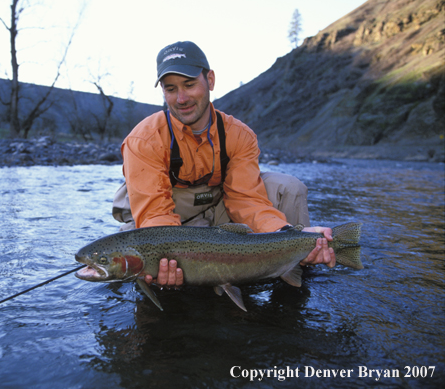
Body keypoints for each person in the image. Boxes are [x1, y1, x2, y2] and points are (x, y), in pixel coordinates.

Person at [112, 41, 335, 288]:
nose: (181, 98)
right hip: (168, 216)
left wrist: (285, 232)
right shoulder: (144, 139)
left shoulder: (239, 135)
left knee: (289, 186)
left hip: (218, 206)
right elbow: (155, 214)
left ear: (210, 80)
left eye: (189, 85)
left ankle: (294, 259)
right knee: (148, 269)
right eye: (170, 89)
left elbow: (246, 199)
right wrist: (167, 258)